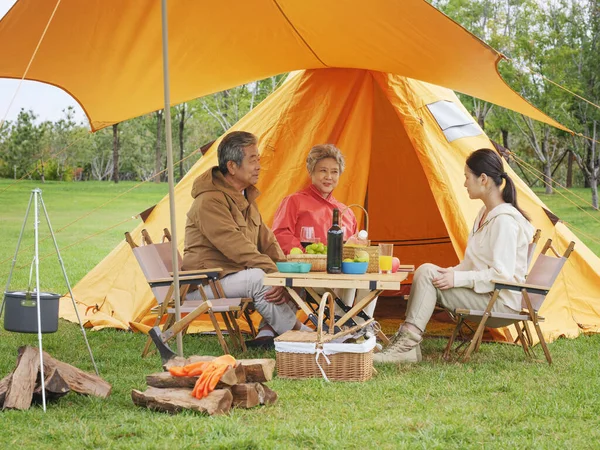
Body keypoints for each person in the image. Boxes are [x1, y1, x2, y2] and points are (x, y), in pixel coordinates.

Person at [374, 148, 535, 363]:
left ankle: (407, 346)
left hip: (500, 303)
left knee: (428, 276)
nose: (465, 183)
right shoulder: (484, 215)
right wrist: (450, 272)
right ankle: (407, 344)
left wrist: (456, 279)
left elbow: (502, 275)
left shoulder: (504, 221)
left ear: (484, 179)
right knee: (427, 270)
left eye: (467, 177)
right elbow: (470, 263)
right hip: (485, 294)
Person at [182, 131, 311, 349]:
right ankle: (303, 335)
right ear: (232, 167)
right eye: (253, 160)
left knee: (290, 274)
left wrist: (284, 272)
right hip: (206, 283)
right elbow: (237, 247)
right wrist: (273, 273)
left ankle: (267, 333)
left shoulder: (244, 197)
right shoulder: (209, 202)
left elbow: (266, 240)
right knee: (259, 278)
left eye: (258, 159)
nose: (259, 166)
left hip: (230, 277)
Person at [272, 144, 357, 254]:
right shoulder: (294, 201)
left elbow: (355, 248)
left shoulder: (347, 213)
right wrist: (307, 256)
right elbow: (280, 234)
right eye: (323, 170)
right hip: (302, 268)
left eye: (334, 171)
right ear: (310, 171)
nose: (329, 177)